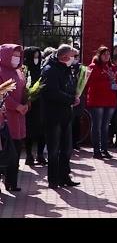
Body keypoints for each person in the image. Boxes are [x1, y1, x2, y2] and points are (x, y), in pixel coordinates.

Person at [41, 44, 80, 189]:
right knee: (54, 150)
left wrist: (75, 95)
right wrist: (71, 99)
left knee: (67, 149)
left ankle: (64, 176)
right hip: (53, 116)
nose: (73, 59)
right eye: (72, 56)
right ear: (64, 57)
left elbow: (69, 86)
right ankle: (53, 180)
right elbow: (52, 93)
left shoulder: (66, 68)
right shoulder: (49, 70)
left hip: (66, 115)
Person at [85, 46, 117, 159]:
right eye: (104, 54)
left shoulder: (113, 68)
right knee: (97, 126)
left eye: (108, 54)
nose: (106, 56)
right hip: (97, 100)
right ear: (99, 55)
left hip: (110, 100)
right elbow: (87, 83)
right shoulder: (93, 67)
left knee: (105, 126)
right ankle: (96, 150)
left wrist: (113, 81)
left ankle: (104, 149)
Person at [0, 44, 26, 192]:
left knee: (16, 150)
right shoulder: (1, 71)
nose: (16, 57)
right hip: (5, 118)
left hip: (19, 117)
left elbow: (24, 89)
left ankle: (12, 182)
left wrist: (27, 102)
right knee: (5, 153)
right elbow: (3, 94)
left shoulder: (19, 71)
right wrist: (16, 106)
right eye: (14, 54)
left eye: (18, 55)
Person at [23, 46, 46, 166]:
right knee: (29, 131)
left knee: (42, 130)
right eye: (34, 56)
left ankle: (40, 154)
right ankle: (29, 155)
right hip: (29, 105)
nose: (36, 59)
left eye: (38, 56)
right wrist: (28, 98)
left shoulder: (42, 69)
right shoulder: (23, 70)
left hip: (41, 104)